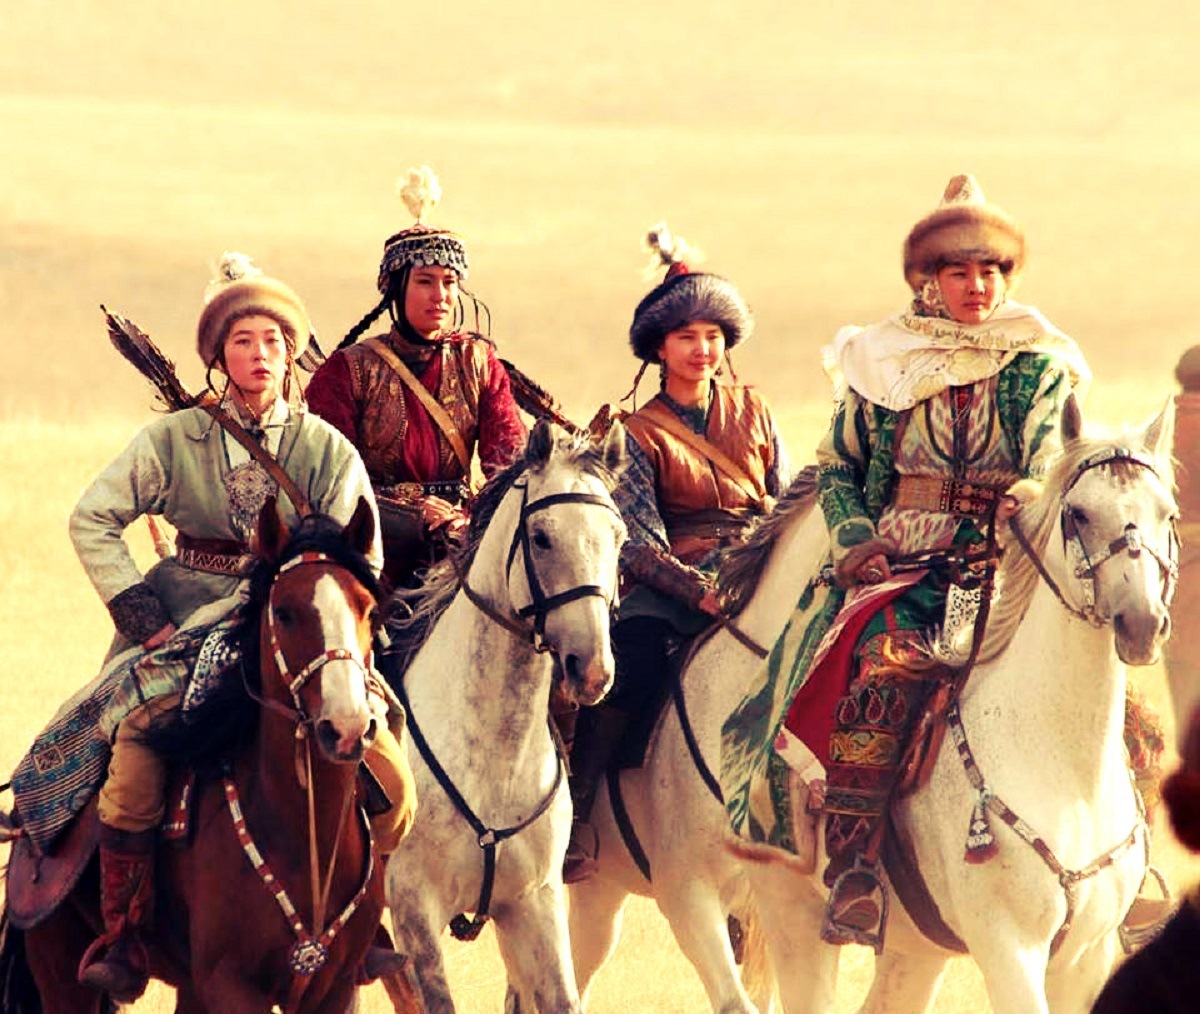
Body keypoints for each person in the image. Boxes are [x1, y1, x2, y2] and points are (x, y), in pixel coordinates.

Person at [10, 255, 416, 1002]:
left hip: (297, 629)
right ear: (219, 357)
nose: (260, 355)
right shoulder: (175, 439)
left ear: (291, 354)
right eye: (242, 342)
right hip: (184, 623)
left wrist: (329, 618)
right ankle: (125, 931)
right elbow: (92, 517)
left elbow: (359, 555)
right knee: (133, 752)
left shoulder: (326, 449)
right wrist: (142, 615)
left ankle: (360, 927)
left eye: (273, 341)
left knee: (392, 773)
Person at [779, 174, 1095, 944]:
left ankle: (1121, 859)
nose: (977, 286)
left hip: (1008, 563)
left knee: (1099, 676)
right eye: (959, 272)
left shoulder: (1038, 363)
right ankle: (855, 868)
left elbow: (1049, 453)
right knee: (879, 670)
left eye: (990, 271)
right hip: (906, 566)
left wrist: (1029, 487)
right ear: (928, 281)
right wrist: (855, 538)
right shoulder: (883, 362)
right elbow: (839, 465)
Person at [564, 226, 788, 883]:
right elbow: (636, 539)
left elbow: (782, 501)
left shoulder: (756, 410)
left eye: (712, 335)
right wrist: (699, 591)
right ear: (659, 348)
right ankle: (579, 813)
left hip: (760, 565)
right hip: (672, 586)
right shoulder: (637, 433)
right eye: (686, 336)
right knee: (626, 671)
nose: (702, 349)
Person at [305, 166, 526, 593]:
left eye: (449, 282)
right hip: (375, 544)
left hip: (461, 539)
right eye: (425, 282)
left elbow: (510, 465)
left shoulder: (479, 362)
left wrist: (466, 518)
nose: (440, 295)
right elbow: (331, 479)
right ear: (396, 289)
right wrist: (414, 514)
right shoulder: (347, 370)